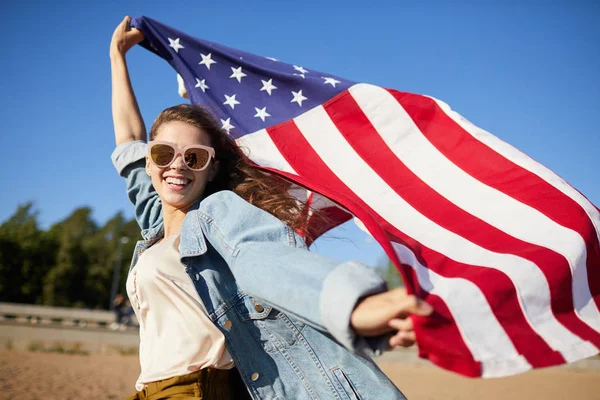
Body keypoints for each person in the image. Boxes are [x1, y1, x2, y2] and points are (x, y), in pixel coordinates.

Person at [110, 16, 433, 400]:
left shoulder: (217, 215)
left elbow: (266, 257)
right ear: (150, 162)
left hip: (198, 392)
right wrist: (117, 58)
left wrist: (353, 304)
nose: (177, 165)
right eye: (164, 153)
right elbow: (128, 140)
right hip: (149, 390)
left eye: (194, 157)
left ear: (212, 169)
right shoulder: (157, 227)